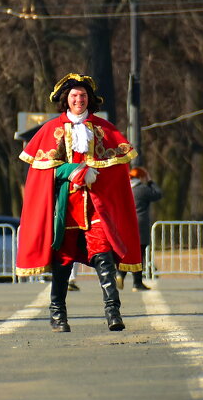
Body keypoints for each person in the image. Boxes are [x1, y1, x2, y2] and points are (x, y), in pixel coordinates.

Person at [16, 72, 142, 332]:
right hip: (66, 208)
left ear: (90, 99)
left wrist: (96, 172)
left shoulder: (103, 129)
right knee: (63, 262)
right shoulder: (51, 130)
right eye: (74, 96)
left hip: (96, 206)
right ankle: (58, 314)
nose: (79, 100)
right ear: (66, 99)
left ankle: (112, 312)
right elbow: (44, 172)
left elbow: (116, 170)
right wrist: (71, 171)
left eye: (83, 96)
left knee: (104, 257)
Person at [120, 166, 161, 290]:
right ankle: (137, 283)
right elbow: (158, 194)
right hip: (140, 224)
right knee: (139, 253)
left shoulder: (125, 188)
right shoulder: (143, 189)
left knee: (127, 252)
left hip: (126, 223)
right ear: (141, 177)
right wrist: (150, 181)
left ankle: (120, 274)